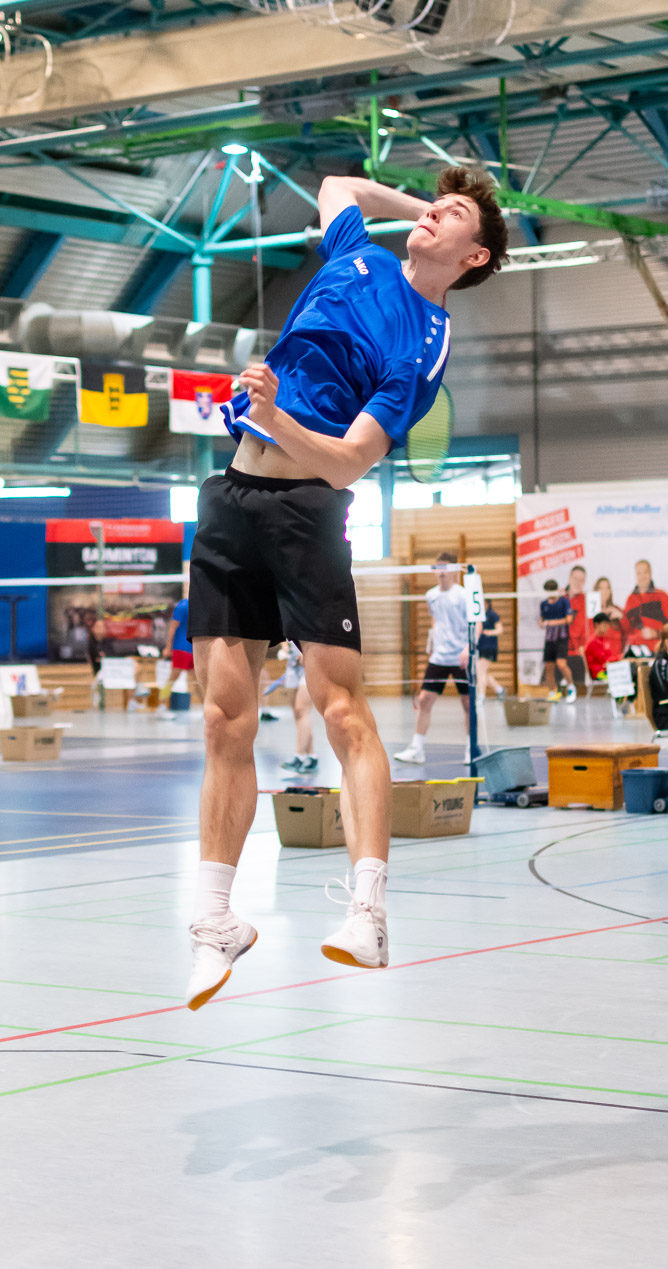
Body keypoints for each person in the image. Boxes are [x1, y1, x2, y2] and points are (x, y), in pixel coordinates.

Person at [184, 166, 508, 1010]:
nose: (431, 215)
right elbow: (337, 186)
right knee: (223, 718)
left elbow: (348, 463)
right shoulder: (356, 252)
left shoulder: (423, 342)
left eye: (453, 216)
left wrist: (274, 415)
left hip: (305, 510)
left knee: (339, 711)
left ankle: (368, 912)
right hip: (230, 496)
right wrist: (425, 206)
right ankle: (216, 920)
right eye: (432, 205)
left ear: (473, 257)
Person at [395, 552, 476, 765]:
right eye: (437, 567)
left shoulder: (463, 595)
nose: (441, 572)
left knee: (468, 704)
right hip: (439, 656)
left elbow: (477, 624)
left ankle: (471, 749)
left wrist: (468, 648)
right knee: (424, 700)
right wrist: (431, 646)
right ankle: (417, 749)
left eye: (445, 567)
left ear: (454, 570)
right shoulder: (431, 595)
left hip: (461, 657)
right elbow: (436, 621)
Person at [624, 559, 668, 652]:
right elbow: (626, 630)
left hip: (658, 651)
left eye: (645, 572)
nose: (642, 576)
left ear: (650, 573)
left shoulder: (661, 596)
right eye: (639, 573)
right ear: (636, 575)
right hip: (637, 653)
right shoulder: (631, 600)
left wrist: (656, 633)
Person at [280, 642, 318, 774]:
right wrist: (284, 645)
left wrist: (307, 652)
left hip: (309, 663)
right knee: (297, 714)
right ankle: (311, 756)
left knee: (302, 710)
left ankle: (299, 756)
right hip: (292, 665)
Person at [539, 578, 576, 701]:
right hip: (549, 639)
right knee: (549, 667)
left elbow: (569, 619)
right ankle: (552, 692)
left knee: (561, 664)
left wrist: (553, 622)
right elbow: (541, 620)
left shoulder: (564, 602)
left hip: (562, 638)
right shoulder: (544, 604)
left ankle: (571, 687)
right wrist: (542, 623)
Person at [566, 564, 589, 687]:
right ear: (570, 578)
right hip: (560, 653)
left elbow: (589, 628)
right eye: (575, 578)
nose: (577, 583)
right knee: (549, 687)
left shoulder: (586, 600)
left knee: (579, 690)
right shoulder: (559, 597)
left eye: (581, 580)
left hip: (577, 654)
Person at [477, 598, 504, 700]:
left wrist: (489, 632)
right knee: (480, 672)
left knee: (480, 671)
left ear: (487, 603)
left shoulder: (492, 615)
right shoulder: (477, 616)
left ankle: (481, 695)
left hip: (489, 647)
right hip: (479, 647)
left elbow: (500, 630)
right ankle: (499, 689)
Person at [593, 575, 625, 656]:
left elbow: (629, 631)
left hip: (615, 657)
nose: (604, 591)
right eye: (601, 588)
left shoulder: (616, 610)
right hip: (597, 657)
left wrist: (621, 617)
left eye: (607, 588)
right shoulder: (591, 612)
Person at [585, 612, 619, 681]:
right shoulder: (592, 642)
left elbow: (608, 658)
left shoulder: (603, 640)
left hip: (606, 671)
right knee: (619, 678)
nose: (607, 627)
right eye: (604, 624)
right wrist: (619, 658)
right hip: (598, 674)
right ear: (596, 625)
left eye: (608, 625)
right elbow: (604, 660)